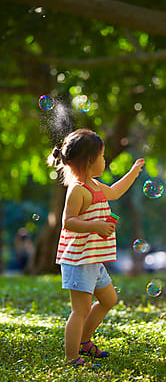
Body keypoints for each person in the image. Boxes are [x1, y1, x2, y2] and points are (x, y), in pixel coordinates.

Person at [48, 128, 144, 367]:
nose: (105, 160)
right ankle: (72, 357)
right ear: (89, 161)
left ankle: (84, 342)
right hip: (79, 260)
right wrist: (95, 226)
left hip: (93, 259)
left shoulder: (95, 185)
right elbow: (68, 221)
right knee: (79, 310)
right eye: (102, 157)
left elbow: (115, 192)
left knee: (109, 300)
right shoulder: (78, 190)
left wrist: (132, 173)